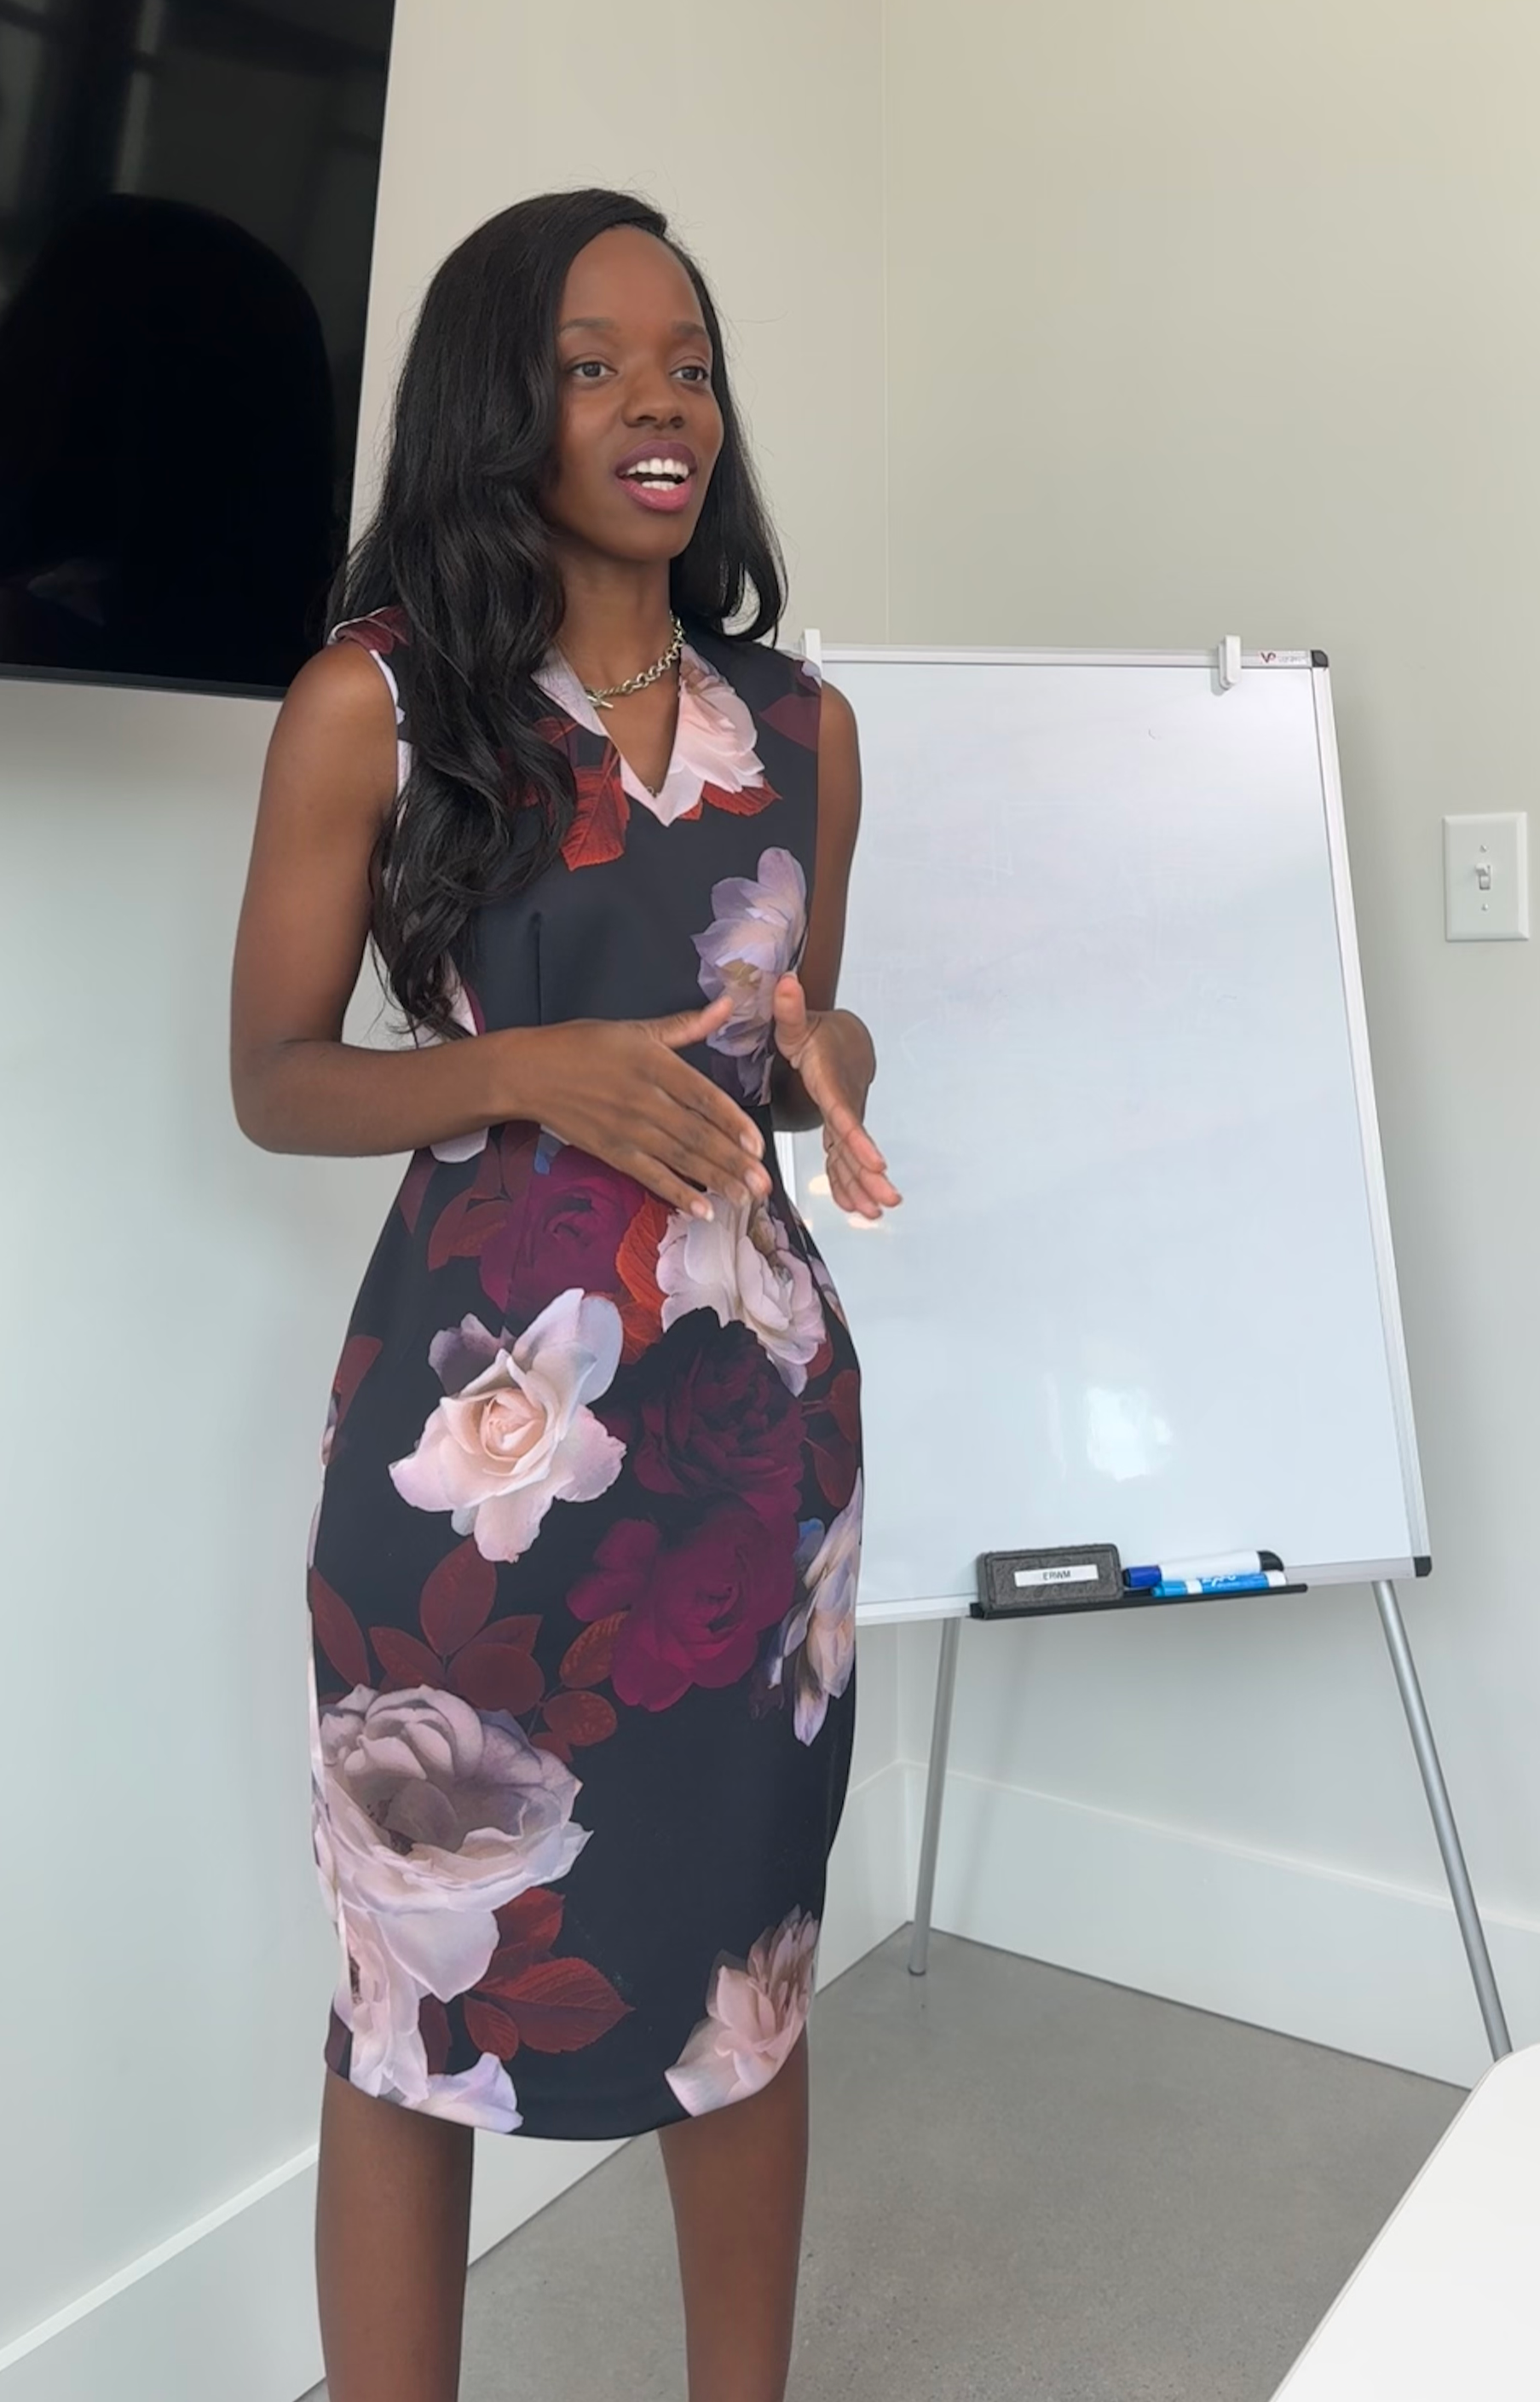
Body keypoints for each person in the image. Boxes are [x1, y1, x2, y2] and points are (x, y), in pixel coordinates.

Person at [230, 187, 899, 2402]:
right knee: (417, 2002)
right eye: (598, 362)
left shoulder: (801, 731)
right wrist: (521, 1073)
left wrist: (831, 1061)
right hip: (463, 1472)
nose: (657, 404)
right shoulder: (377, 706)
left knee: (748, 1970)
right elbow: (275, 1078)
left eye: (688, 360)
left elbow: (805, 1034)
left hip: (752, 1463)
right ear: (500, 400)